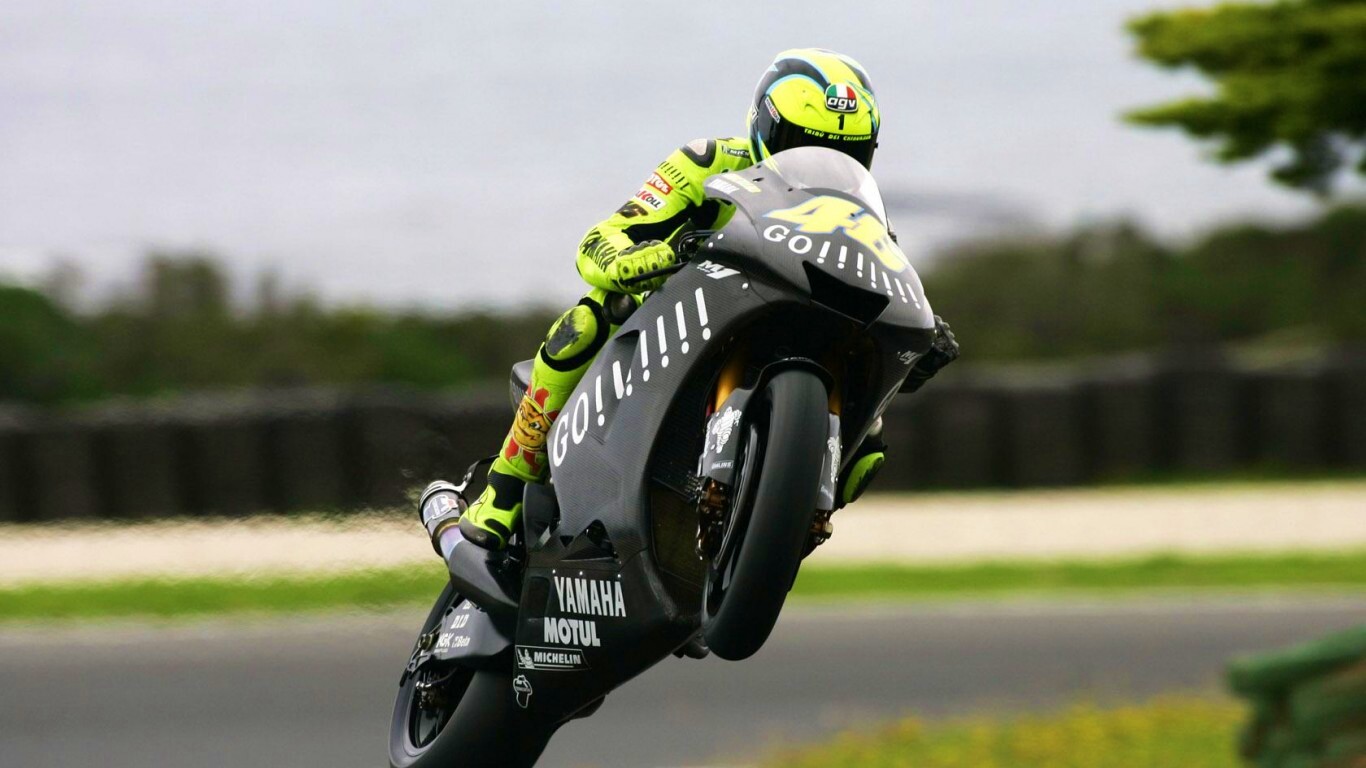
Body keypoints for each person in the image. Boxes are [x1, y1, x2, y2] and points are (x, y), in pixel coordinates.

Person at [422, 48, 959, 552]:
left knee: (871, 449)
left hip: (802, 331)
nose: (822, 161)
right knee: (586, 323)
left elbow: (884, 293)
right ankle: (505, 491)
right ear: (764, 128)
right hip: (685, 317)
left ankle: (778, 536)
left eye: (845, 152)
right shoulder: (708, 162)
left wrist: (912, 353)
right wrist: (636, 259)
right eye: (802, 143)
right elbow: (603, 239)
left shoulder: (867, 218)